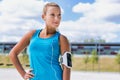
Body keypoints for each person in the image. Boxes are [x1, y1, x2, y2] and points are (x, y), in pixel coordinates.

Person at [9, 2, 71, 80]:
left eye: (59, 15)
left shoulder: (62, 39)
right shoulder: (32, 35)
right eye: (52, 15)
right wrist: (23, 74)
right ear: (43, 16)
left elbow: (67, 66)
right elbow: (13, 54)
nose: (57, 18)